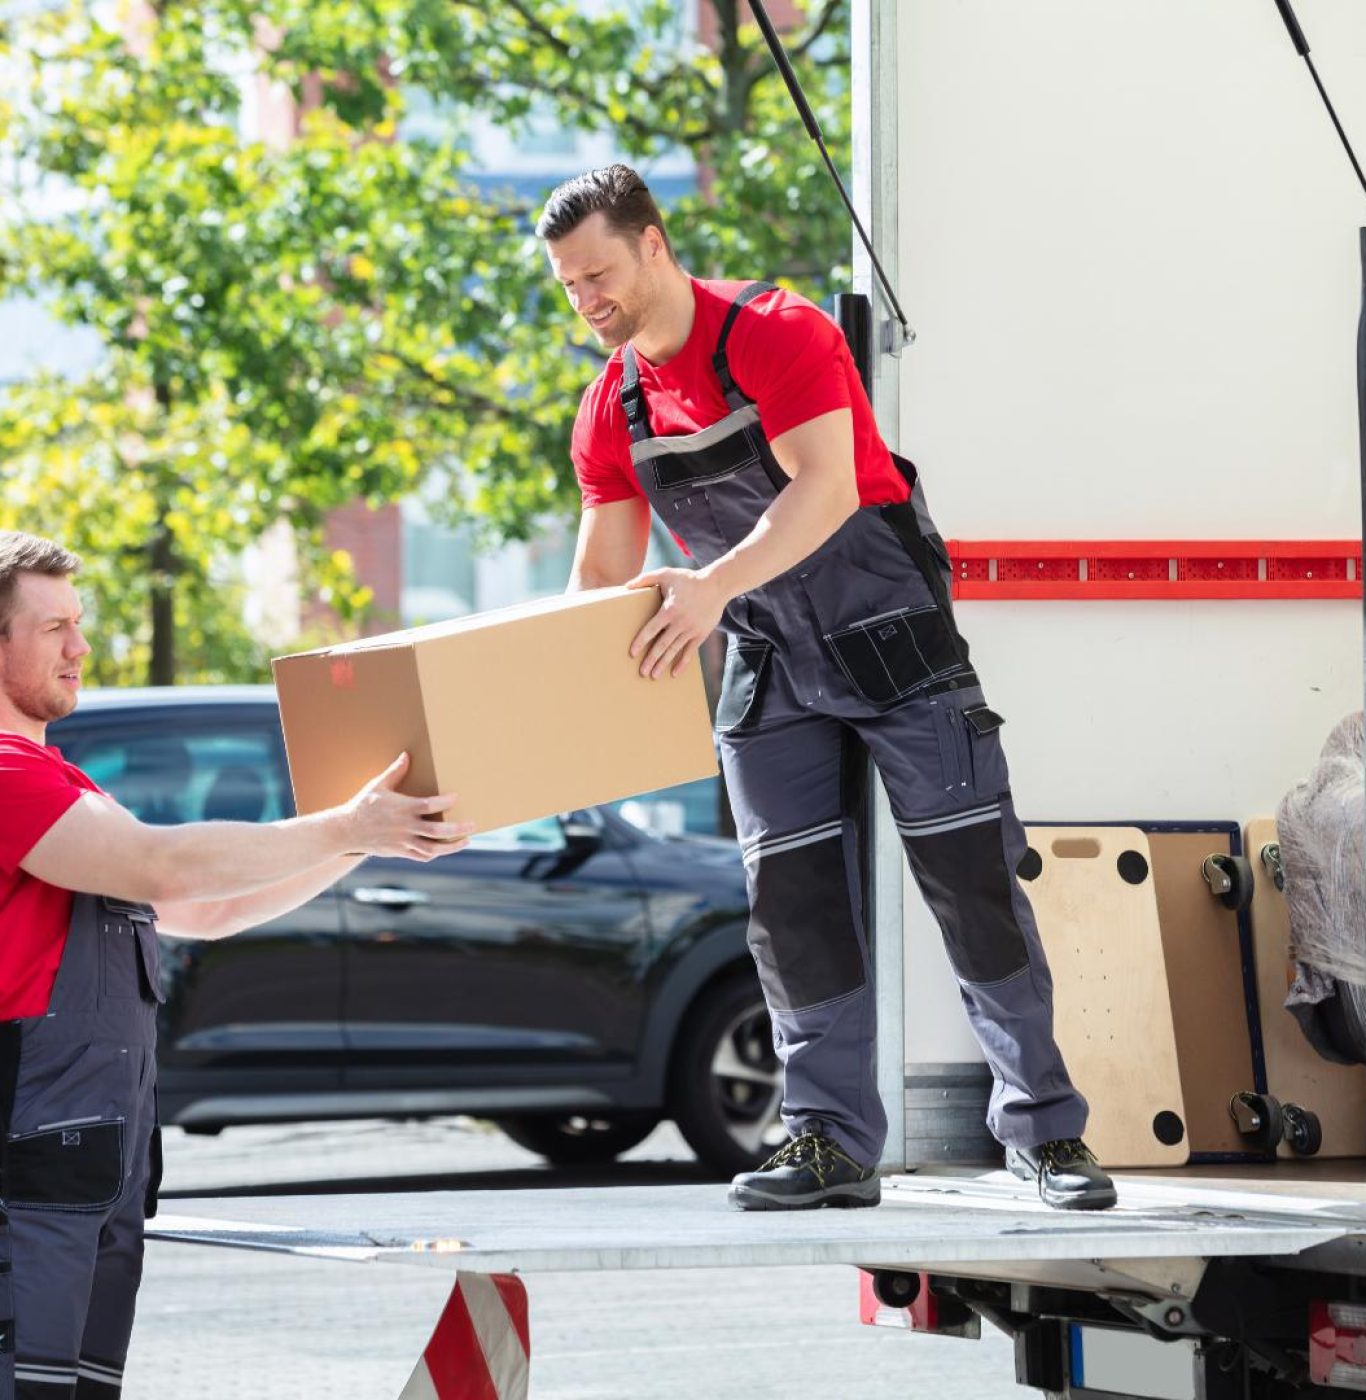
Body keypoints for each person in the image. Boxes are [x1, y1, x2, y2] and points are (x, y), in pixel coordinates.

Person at [537, 164, 1115, 1214]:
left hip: (887, 636)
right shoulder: (606, 410)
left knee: (970, 880)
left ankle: (1044, 1132)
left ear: (654, 243)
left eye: (599, 274)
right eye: (568, 285)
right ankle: (830, 1141)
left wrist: (707, 586)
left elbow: (825, 486)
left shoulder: (775, 330)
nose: (587, 302)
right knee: (792, 907)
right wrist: (527, 718)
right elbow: (598, 584)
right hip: (766, 652)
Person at [0, 531, 474, 1399]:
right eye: (53, 627)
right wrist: (347, 825)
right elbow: (162, 866)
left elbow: (206, 910)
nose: (81, 647)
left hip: (90, 1186)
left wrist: (376, 839)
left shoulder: (63, 782)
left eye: (80, 623)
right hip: (26, 1198)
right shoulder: (6, 775)